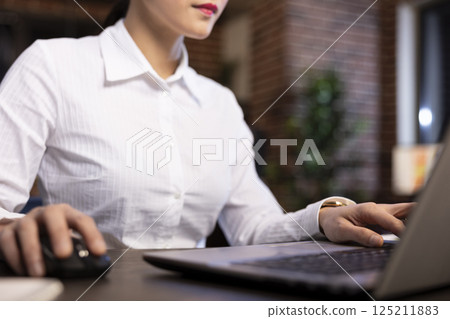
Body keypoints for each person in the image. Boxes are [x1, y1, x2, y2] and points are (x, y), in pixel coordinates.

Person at [0, 0, 413, 277]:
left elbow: (253, 227)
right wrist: (18, 227)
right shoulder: (52, 65)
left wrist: (325, 217)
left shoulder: (219, 102)